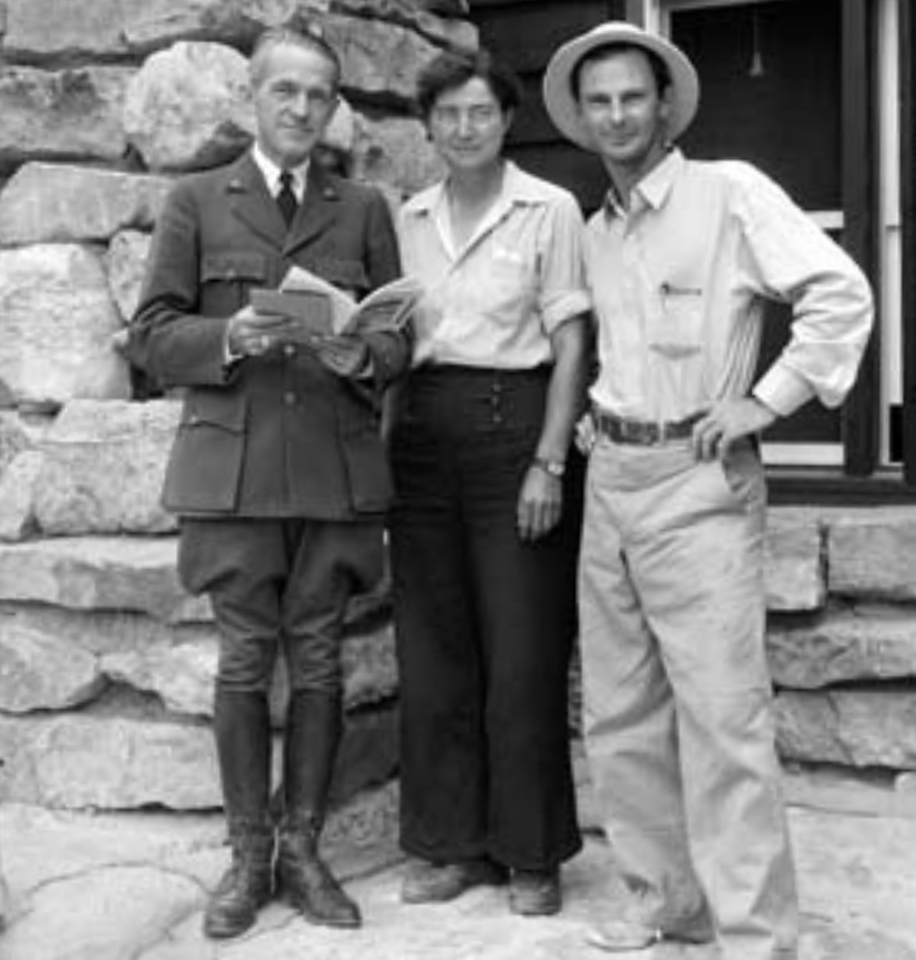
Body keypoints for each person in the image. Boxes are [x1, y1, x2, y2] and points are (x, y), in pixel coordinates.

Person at [542, 21, 873, 958]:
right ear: (583, 115)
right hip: (612, 479)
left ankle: (758, 936)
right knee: (619, 712)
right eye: (598, 100)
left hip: (699, 483)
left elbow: (840, 293)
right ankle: (666, 902)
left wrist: (763, 402)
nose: (616, 115)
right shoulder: (598, 231)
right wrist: (592, 419)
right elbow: (621, 348)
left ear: (663, 105)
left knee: (724, 721)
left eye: (631, 97)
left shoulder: (728, 192)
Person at [126, 18, 409, 940]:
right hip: (234, 477)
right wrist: (230, 337)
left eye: (317, 96)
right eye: (285, 90)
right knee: (247, 663)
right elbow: (150, 336)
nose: (301, 108)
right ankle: (248, 856)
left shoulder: (362, 208)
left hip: (332, 474)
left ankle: (306, 850)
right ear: (254, 97)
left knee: (321, 661)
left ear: (332, 112)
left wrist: (358, 349)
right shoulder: (198, 200)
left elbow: (397, 336)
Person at [389, 48, 592, 917]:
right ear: (428, 126)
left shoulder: (550, 209)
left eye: (480, 112)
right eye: (448, 115)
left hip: (519, 429)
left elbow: (574, 346)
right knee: (434, 650)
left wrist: (550, 459)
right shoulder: (408, 215)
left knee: (524, 649)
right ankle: (450, 845)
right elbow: (395, 342)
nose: (465, 127)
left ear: (506, 120)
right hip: (423, 433)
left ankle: (533, 854)